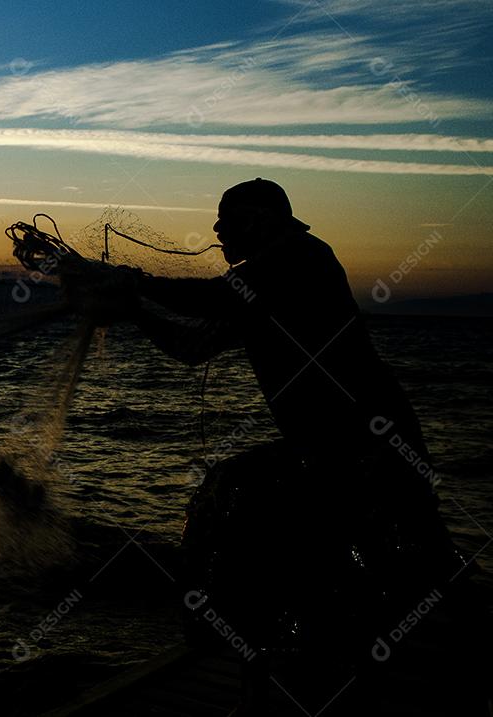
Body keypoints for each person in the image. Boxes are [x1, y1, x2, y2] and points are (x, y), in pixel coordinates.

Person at [61, 179, 471, 714]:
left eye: (227, 221)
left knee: (397, 567)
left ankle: (429, 678)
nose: (216, 231)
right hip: (324, 452)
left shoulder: (303, 259)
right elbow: (191, 347)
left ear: (261, 222)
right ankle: (296, 679)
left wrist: (131, 284)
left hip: (372, 446)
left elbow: (216, 297)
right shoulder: (258, 289)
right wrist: (133, 309)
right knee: (307, 554)